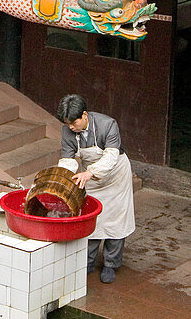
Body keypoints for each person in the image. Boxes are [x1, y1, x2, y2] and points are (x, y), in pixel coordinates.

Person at [56, 94, 135, 284]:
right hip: (89, 177)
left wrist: (90, 173)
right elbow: (68, 160)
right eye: (67, 124)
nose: (71, 127)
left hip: (116, 175)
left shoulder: (108, 124)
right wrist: (62, 178)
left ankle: (110, 264)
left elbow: (111, 156)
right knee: (91, 218)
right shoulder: (67, 131)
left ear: (84, 115)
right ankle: (88, 261)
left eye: (74, 122)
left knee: (116, 221)